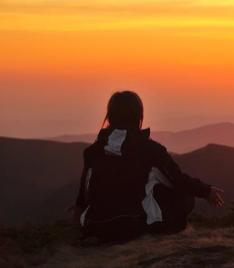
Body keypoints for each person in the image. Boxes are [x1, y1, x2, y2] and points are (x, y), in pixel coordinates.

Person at [71, 91, 224, 241]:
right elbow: (177, 180)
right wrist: (206, 191)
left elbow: (82, 196)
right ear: (139, 117)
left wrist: (79, 224)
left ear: (109, 117)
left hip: (96, 227)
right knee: (185, 196)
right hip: (133, 227)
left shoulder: (93, 151)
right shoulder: (150, 149)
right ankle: (165, 230)